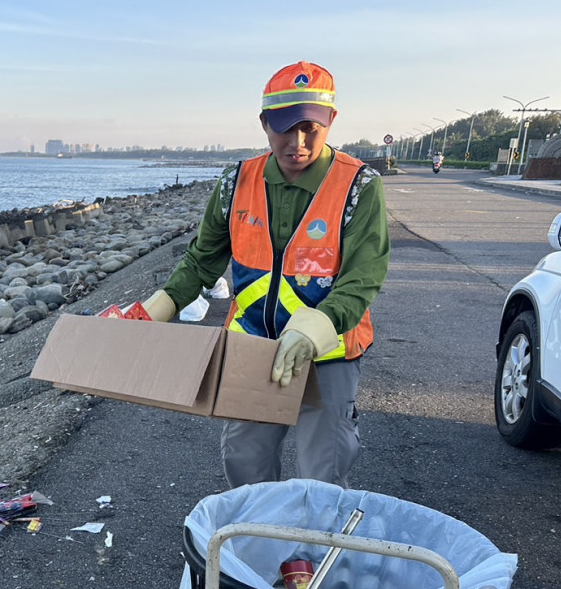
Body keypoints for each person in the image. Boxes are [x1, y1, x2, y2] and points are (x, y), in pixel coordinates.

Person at [141, 60, 389, 489]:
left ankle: (315, 554)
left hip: (326, 355)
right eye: (284, 128)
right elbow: (202, 260)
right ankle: (258, 550)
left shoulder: (359, 187)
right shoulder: (236, 182)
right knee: (245, 463)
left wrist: (314, 329)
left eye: (310, 127)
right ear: (263, 124)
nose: (297, 142)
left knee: (322, 475)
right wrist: (155, 310)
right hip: (253, 348)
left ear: (331, 120)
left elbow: (362, 277)